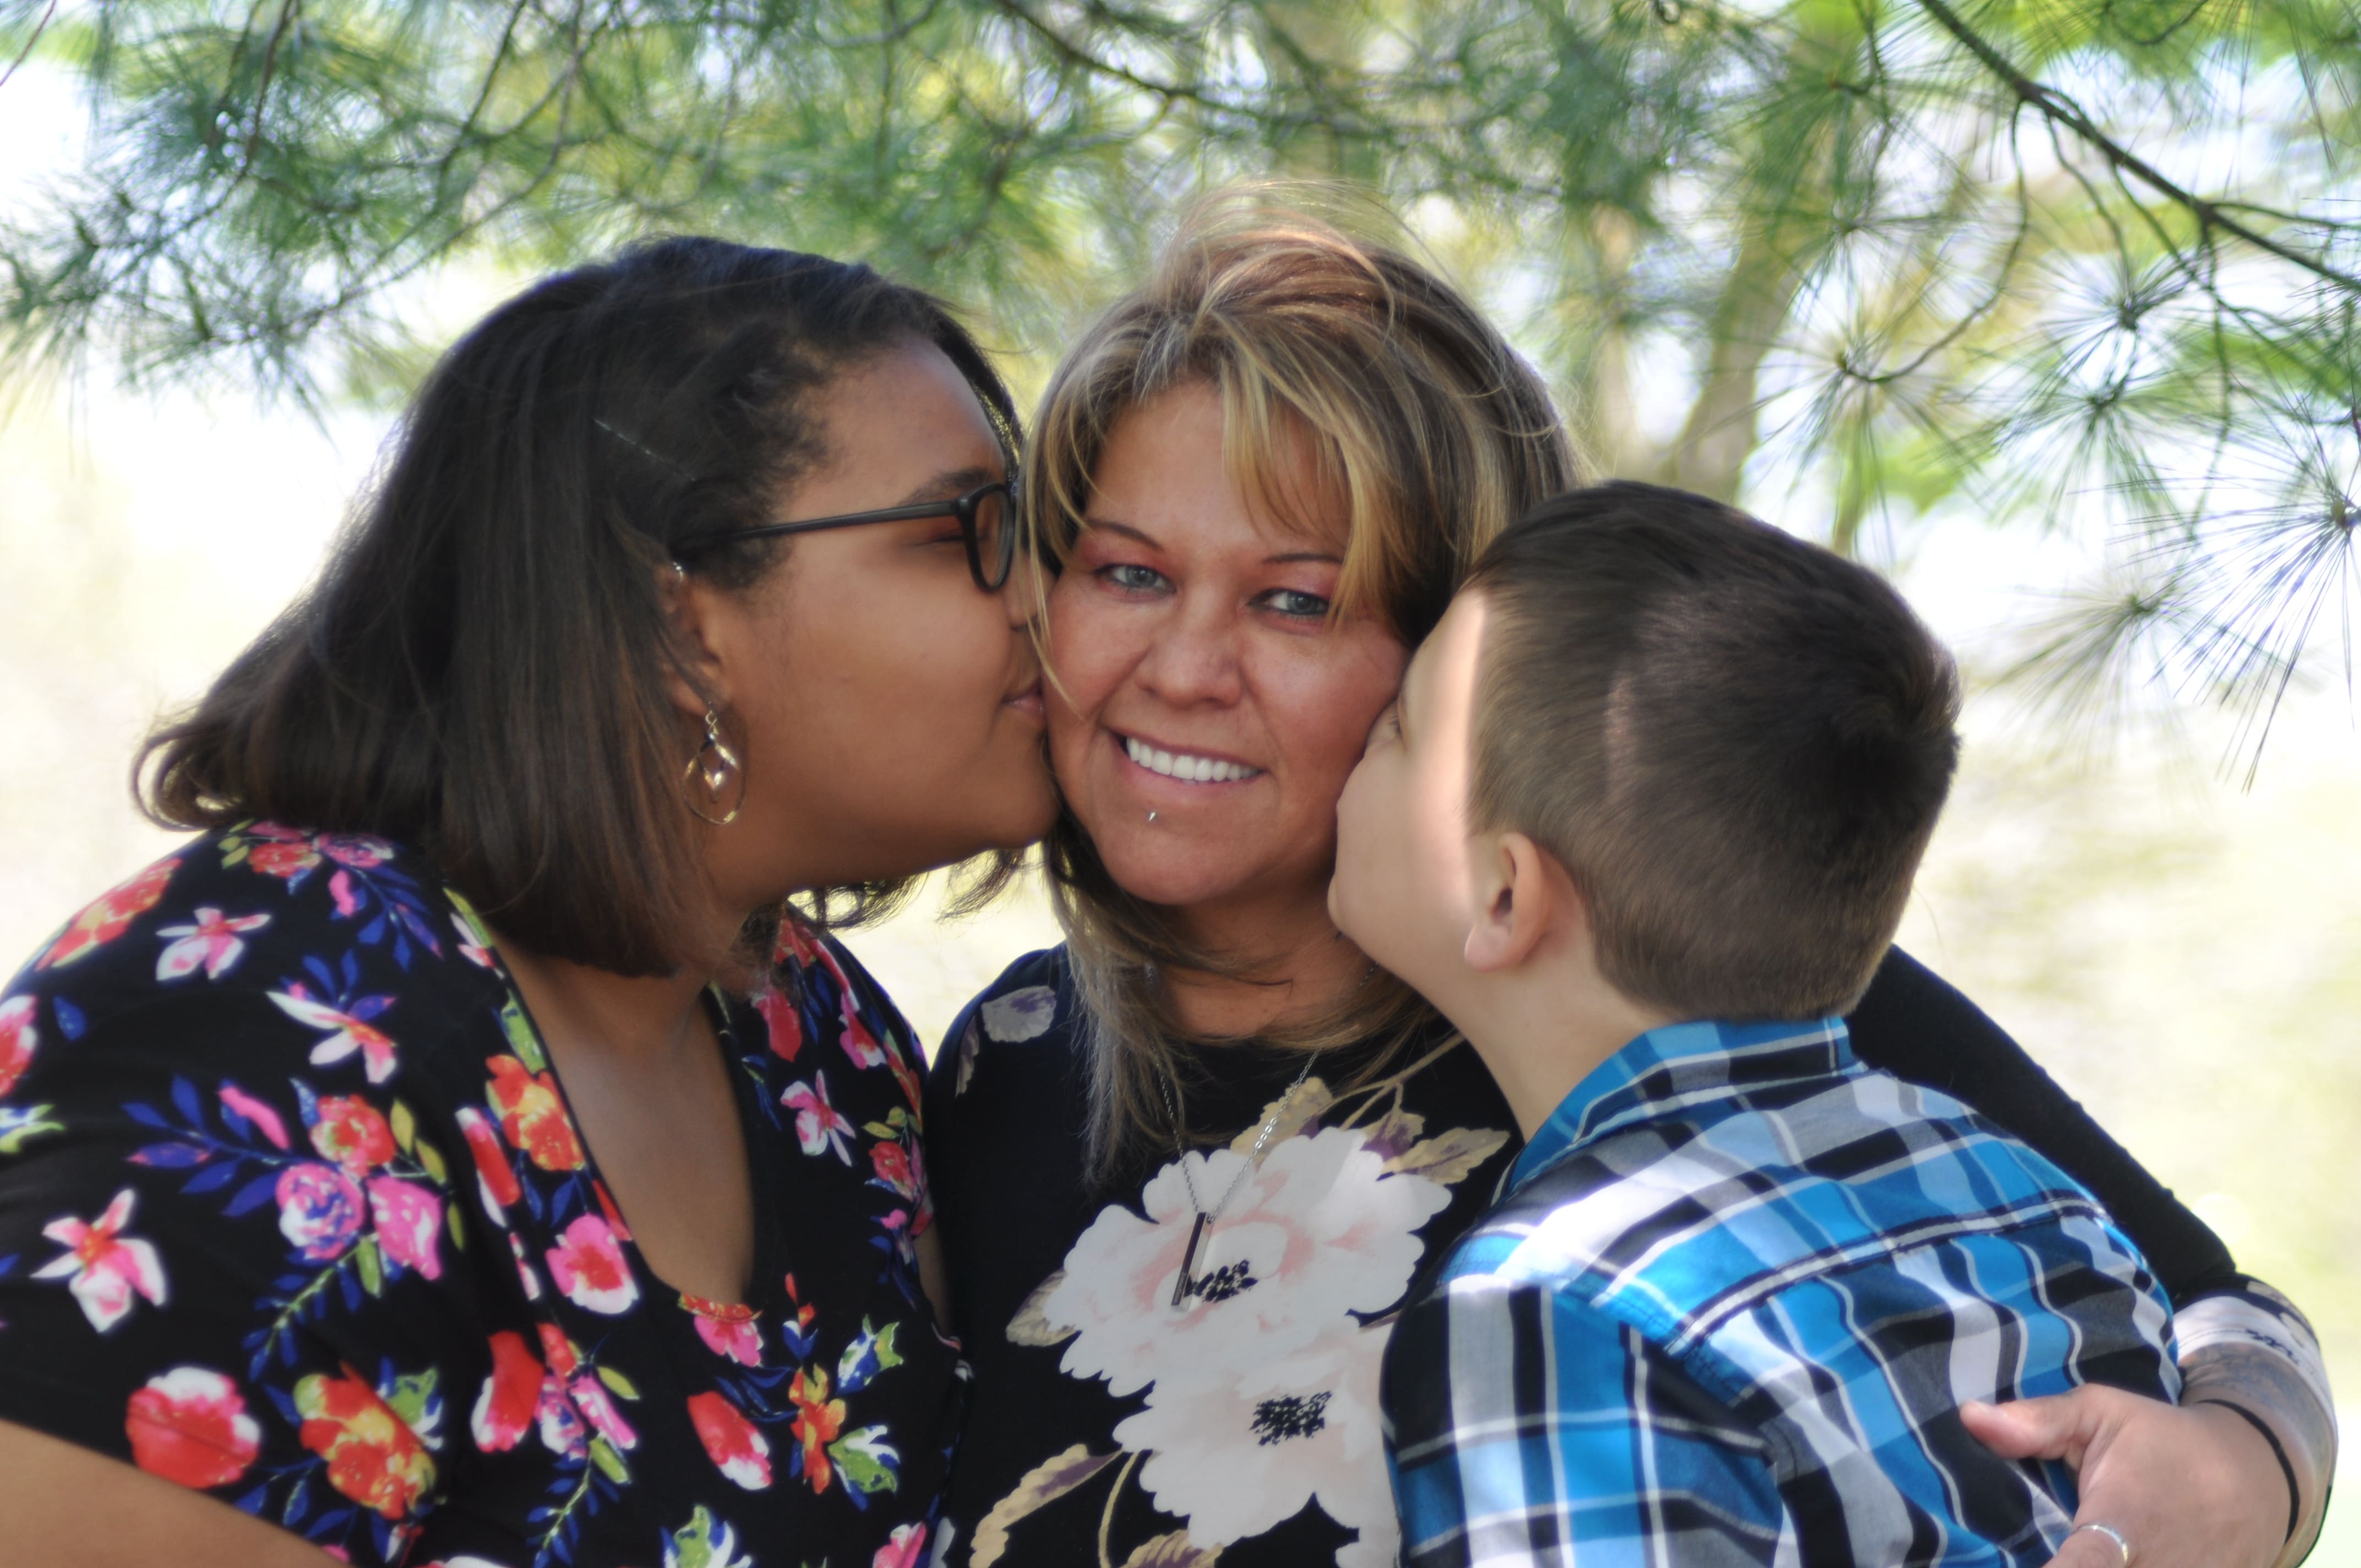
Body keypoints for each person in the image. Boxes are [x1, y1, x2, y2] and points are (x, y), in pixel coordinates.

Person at [922, 195, 2337, 1568]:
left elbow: (2217, 1316)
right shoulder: (1002, 1063)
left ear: (1470, 663)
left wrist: (2240, 1465)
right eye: (1124, 572)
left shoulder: (1701, 1000)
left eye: (1296, 598)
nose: (1178, 666)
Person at [0, 236, 1056, 1566]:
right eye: (964, 530)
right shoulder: (248, 1031)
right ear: (681, 626)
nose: (1046, 601)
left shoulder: (820, 1045)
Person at [1335, 481, 2180, 1565]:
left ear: (1503, 895)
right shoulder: (2024, 1188)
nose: (1366, 733)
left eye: (1400, 726)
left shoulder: (1553, 1306)